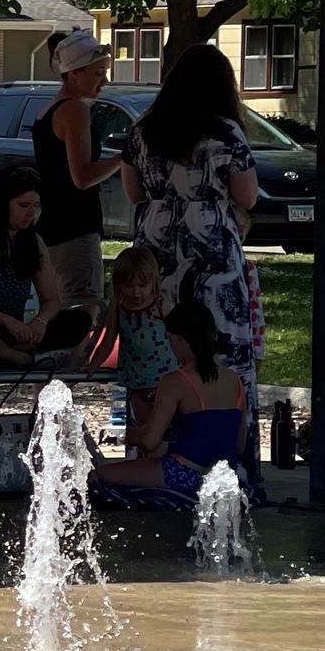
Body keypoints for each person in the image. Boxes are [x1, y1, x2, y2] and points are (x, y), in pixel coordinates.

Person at [120, 43, 263, 390]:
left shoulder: (143, 129)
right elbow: (248, 194)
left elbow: (134, 193)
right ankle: (217, 422)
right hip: (210, 242)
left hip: (156, 243)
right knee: (216, 340)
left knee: (158, 343)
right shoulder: (225, 132)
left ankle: (157, 432)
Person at [94, 298, 248, 495]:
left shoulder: (176, 381)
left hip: (185, 472)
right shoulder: (234, 380)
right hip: (225, 475)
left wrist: (123, 436)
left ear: (178, 340)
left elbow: (150, 440)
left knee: (97, 476)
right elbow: (239, 444)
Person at [33, 31, 122, 310]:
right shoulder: (74, 111)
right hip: (74, 230)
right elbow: (82, 177)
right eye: (97, 73)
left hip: (52, 228)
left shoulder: (48, 109)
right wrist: (125, 156)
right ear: (74, 73)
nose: (104, 81)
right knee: (80, 315)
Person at [0, 165, 90, 366]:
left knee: (80, 320)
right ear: (3, 203)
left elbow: (52, 300)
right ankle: (8, 354)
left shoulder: (33, 242)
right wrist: (4, 320)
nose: (31, 213)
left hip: (19, 333)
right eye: (24, 206)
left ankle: (13, 351)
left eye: (35, 206)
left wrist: (39, 322)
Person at [100, 242, 177, 428]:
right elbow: (108, 340)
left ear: (153, 282)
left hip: (166, 382)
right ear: (119, 284)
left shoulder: (161, 306)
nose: (136, 291)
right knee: (143, 431)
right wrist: (93, 365)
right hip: (136, 382)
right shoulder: (119, 309)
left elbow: (179, 336)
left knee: (166, 430)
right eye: (129, 285)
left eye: (142, 285)